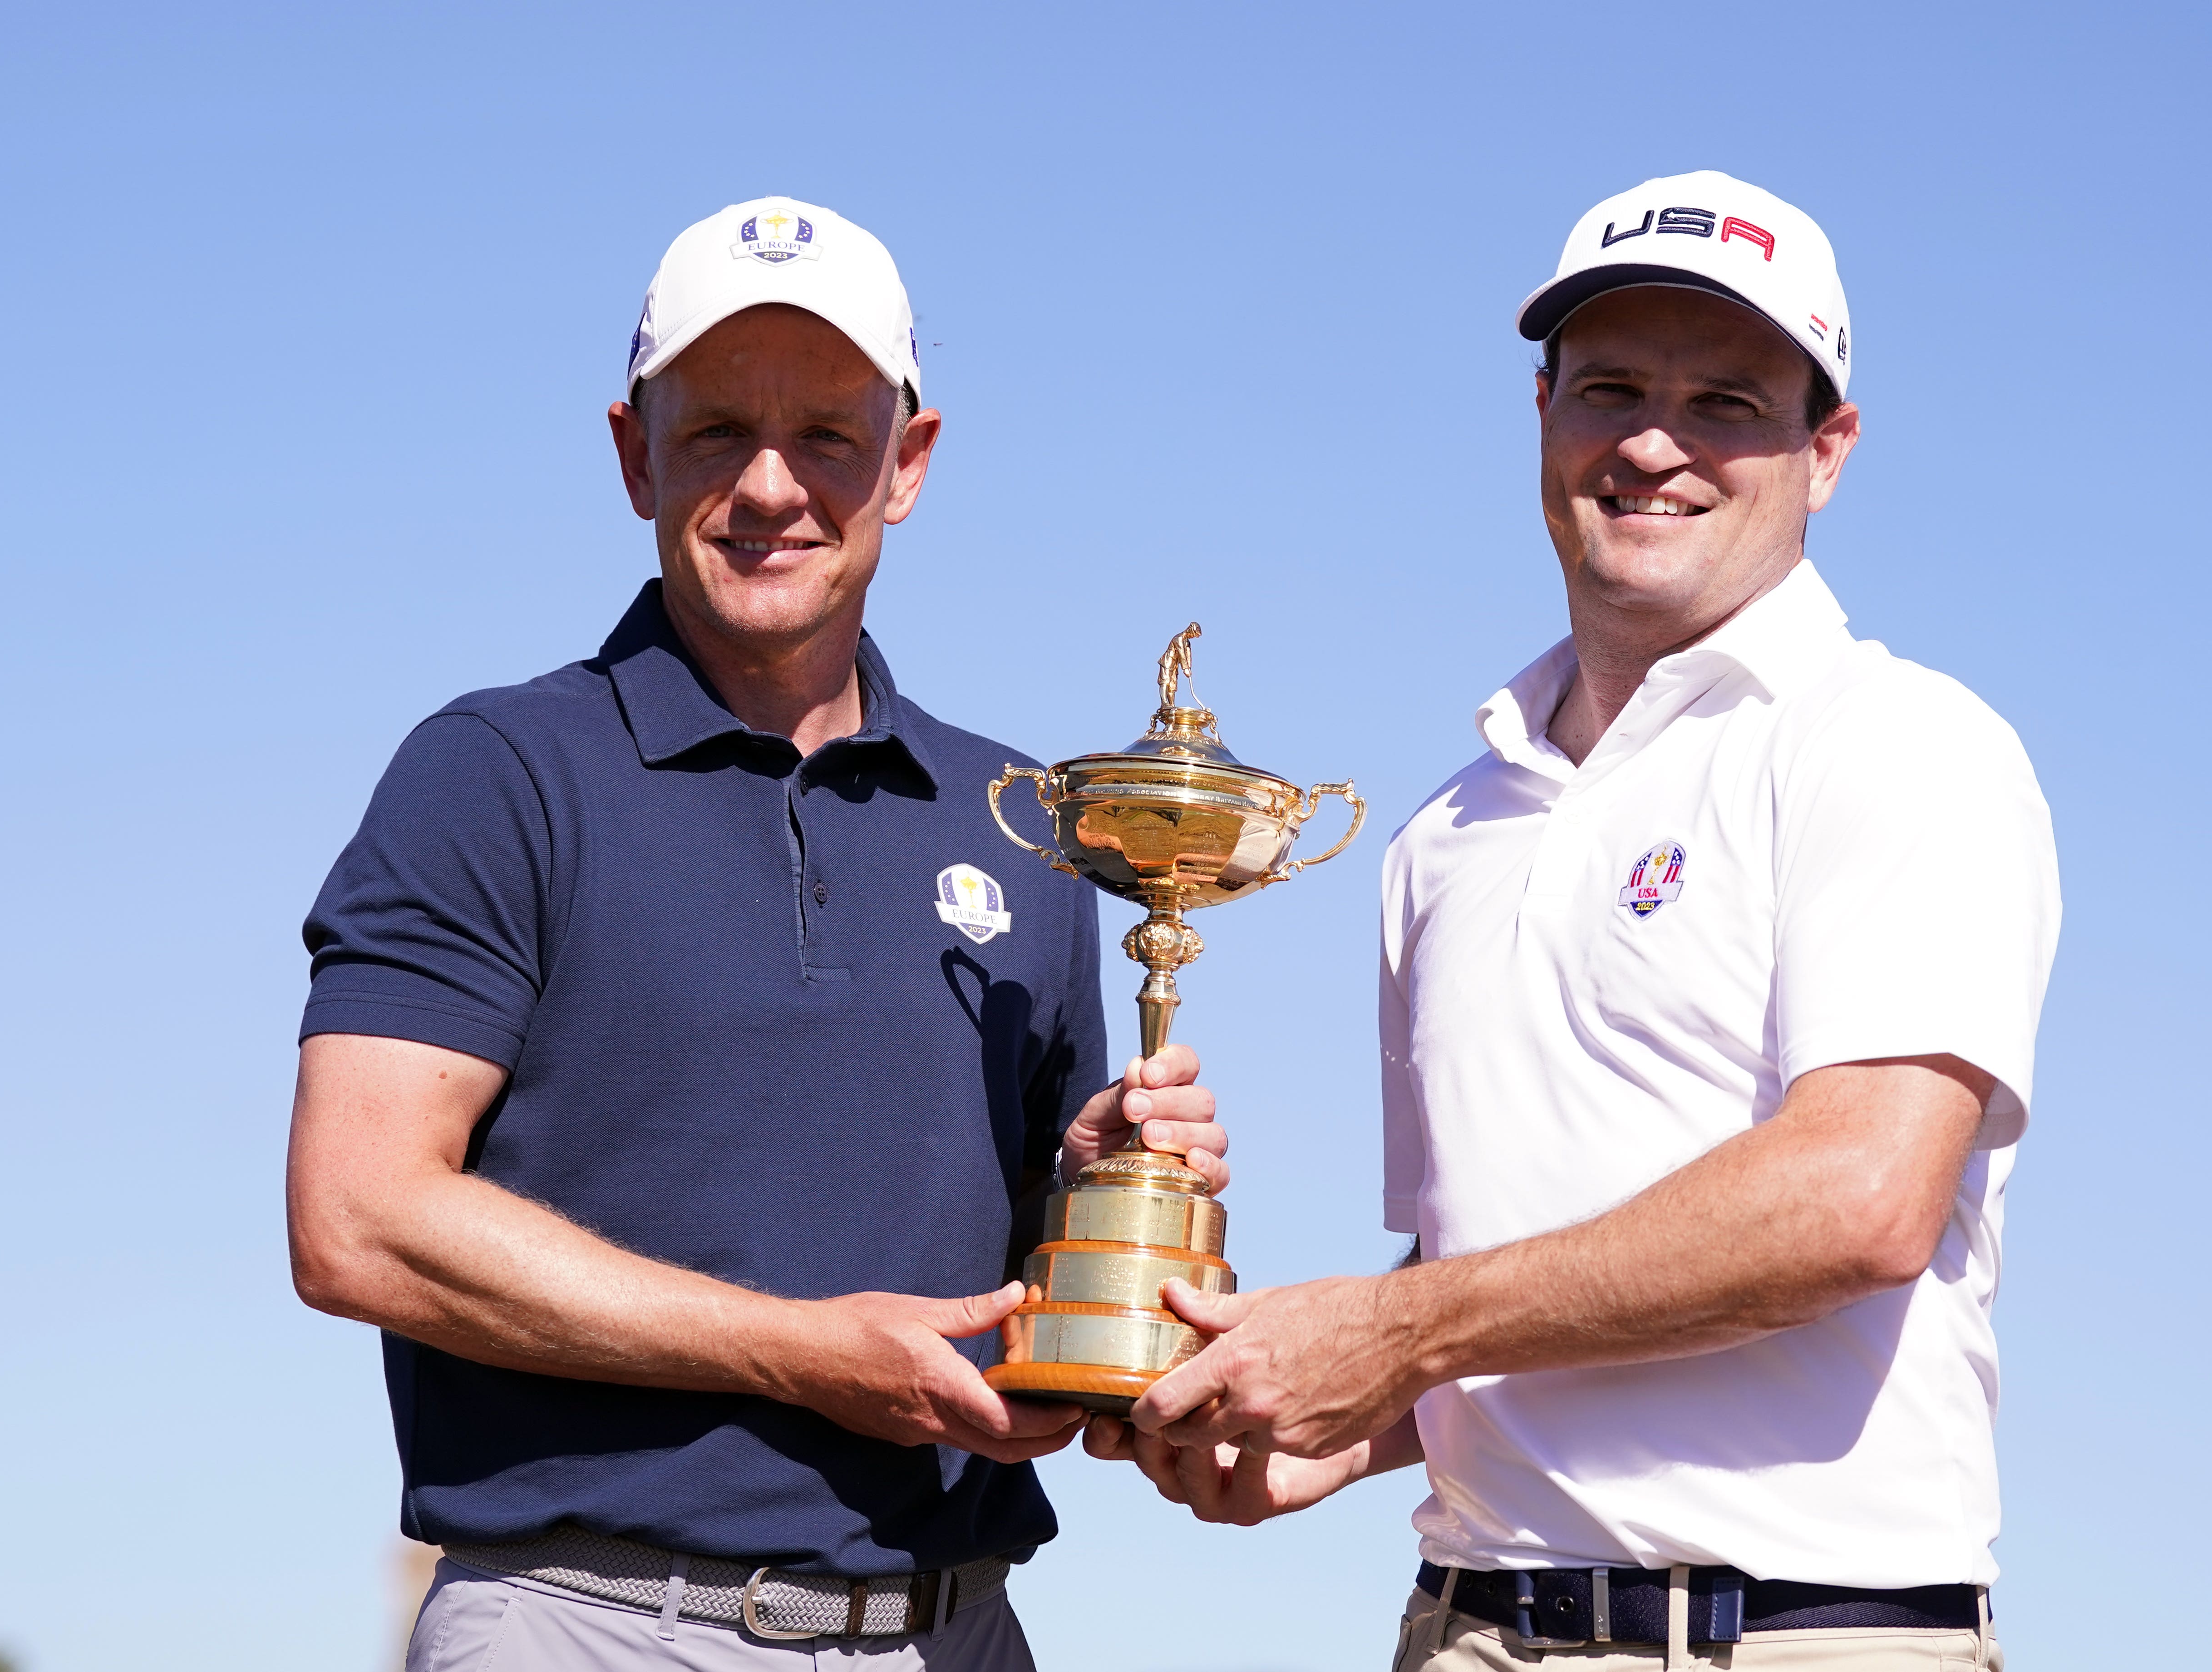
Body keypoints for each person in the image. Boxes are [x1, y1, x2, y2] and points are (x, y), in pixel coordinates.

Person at [1089, 172, 2060, 1671]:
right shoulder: (1443, 836)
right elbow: (1472, 1278)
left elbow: (1858, 1198)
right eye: (1609, 387)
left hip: (1805, 1638)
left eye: (1726, 401)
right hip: (1469, 1628)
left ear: (1827, 451)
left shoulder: (1899, 743)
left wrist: (1394, 1340)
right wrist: (1329, 1433)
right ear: (1542, 412)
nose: (1655, 442)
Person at [286, 196, 1223, 1671]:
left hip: (953, 1631)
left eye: (829, 438)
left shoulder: (1031, 831)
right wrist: (793, 1349)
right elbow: (356, 1219)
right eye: (716, 428)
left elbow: (1025, 1299)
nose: (771, 487)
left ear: (908, 464)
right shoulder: (495, 773)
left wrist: (1107, 1193)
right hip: (588, 1626)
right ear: (631, 451)